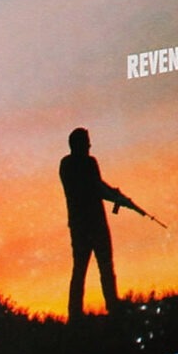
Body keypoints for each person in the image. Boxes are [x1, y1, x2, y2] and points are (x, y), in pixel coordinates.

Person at [60, 127, 137, 318]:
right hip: (88, 224)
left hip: (86, 224)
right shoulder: (76, 164)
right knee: (88, 269)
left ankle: (91, 311)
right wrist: (116, 197)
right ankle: (93, 311)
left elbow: (98, 185)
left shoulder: (71, 164)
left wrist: (116, 196)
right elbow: (95, 187)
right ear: (77, 144)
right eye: (86, 142)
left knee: (95, 268)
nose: (89, 145)